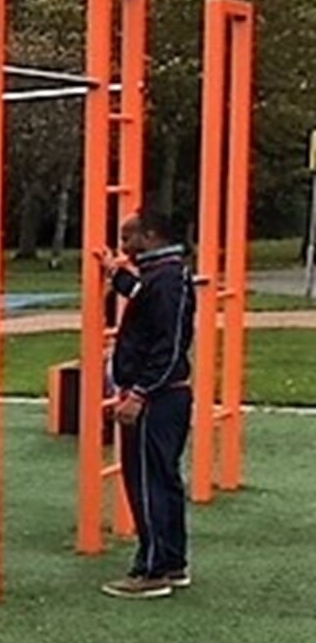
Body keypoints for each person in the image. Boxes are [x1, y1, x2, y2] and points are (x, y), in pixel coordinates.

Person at [94, 211, 196, 599]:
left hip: (158, 397)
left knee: (148, 481)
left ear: (150, 236)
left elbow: (168, 345)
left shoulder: (168, 280)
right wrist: (114, 274)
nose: (123, 246)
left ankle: (152, 570)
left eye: (127, 238)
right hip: (162, 393)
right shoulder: (161, 276)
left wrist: (139, 392)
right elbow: (140, 295)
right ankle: (171, 562)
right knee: (162, 480)